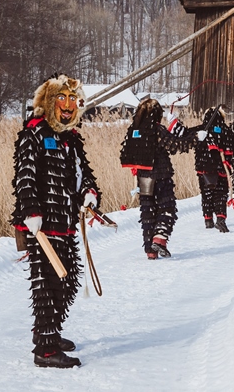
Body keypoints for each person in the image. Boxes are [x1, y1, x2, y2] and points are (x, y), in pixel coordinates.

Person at [10, 74, 100, 369]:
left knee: (69, 280)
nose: (68, 105)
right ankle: (45, 351)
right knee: (47, 286)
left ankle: (49, 332)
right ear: (49, 102)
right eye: (62, 98)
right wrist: (31, 211)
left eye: (73, 99)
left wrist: (89, 193)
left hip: (64, 222)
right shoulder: (33, 134)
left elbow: (82, 173)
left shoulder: (71, 139)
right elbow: (24, 177)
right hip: (41, 227)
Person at [119, 98, 191, 259]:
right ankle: (159, 240)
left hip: (142, 177)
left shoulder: (133, 130)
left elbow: (125, 153)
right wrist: (194, 139)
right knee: (167, 207)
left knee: (148, 211)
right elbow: (174, 145)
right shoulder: (157, 129)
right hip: (161, 175)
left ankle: (150, 250)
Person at [171, 105, 234, 232]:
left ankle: (208, 219)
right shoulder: (227, 131)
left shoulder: (201, 130)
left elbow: (182, 135)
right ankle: (220, 219)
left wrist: (173, 120)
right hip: (222, 168)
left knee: (206, 194)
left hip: (203, 168)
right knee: (221, 194)